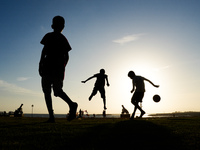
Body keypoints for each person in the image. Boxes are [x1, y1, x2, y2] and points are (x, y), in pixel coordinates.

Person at [39, 16, 78, 123]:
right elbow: (44, 51)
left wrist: (62, 67)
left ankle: (71, 105)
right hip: (50, 68)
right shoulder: (53, 37)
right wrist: (41, 64)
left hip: (53, 68)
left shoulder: (60, 38)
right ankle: (52, 116)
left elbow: (45, 52)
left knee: (53, 92)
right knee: (51, 91)